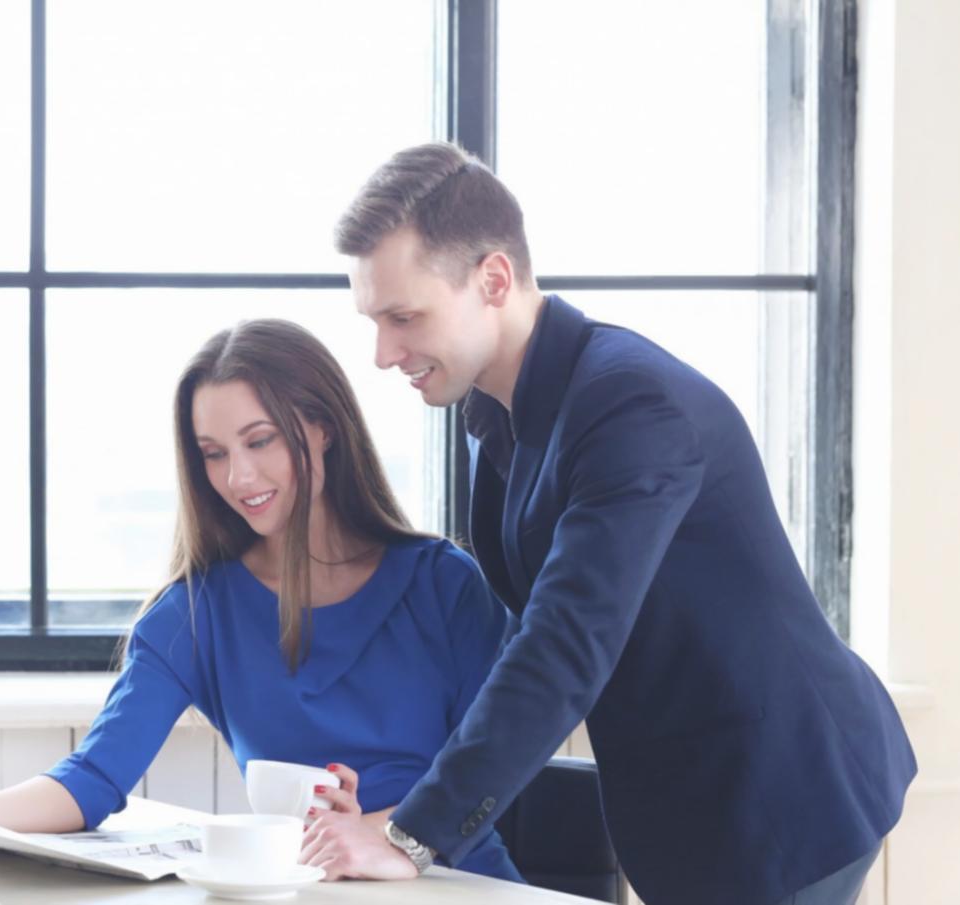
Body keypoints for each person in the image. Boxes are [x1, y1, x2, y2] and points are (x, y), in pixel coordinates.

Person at [306, 142, 916, 905]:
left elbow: (564, 642)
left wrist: (413, 832)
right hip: (682, 809)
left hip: (783, 799)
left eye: (404, 317)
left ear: (492, 279)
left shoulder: (630, 404)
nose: (381, 353)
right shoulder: (492, 415)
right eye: (373, 320)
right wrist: (402, 798)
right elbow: (518, 635)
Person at [0, 318, 523, 882]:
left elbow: (498, 763)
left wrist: (381, 829)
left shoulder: (443, 583)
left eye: (259, 439)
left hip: (467, 884)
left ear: (323, 426)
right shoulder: (194, 612)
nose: (238, 477)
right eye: (214, 453)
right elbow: (93, 778)